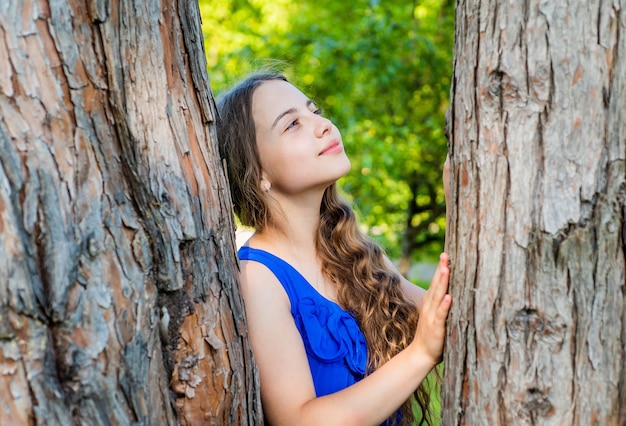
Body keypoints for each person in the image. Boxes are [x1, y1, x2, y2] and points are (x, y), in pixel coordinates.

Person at [216, 72, 452, 426]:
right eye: (292, 124)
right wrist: (420, 354)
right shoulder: (258, 279)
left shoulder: (355, 253)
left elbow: (455, 317)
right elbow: (300, 420)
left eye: (315, 111)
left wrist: (460, 202)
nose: (323, 125)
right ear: (257, 170)